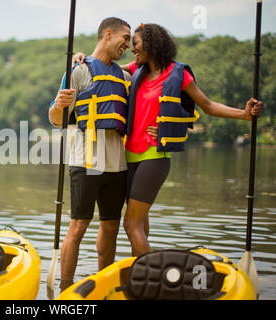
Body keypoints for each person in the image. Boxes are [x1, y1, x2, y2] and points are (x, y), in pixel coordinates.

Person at [72, 23, 263, 257]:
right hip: (128, 157)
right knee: (139, 224)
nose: (132, 48)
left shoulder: (178, 74)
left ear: (151, 44)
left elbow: (208, 105)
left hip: (154, 157)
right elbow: (102, 65)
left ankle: (150, 277)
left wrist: (243, 115)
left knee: (131, 225)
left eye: (136, 43)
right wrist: (81, 58)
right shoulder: (136, 69)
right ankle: (138, 274)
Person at [49, 17, 134, 291]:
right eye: (125, 38)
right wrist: (58, 105)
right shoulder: (77, 71)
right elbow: (55, 118)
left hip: (117, 164)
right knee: (79, 225)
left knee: (111, 226)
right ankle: (65, 289)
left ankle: (103, 285)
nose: (128, 45)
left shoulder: (125, 76)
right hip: (85, 160)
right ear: (108, 34)